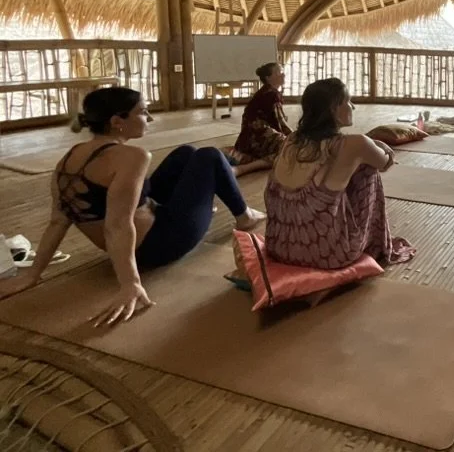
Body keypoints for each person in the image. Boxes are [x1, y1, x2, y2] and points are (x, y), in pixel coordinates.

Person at [0, 87, 265, 326]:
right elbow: (118, 224)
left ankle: (207, 208)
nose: (149, 118)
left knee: (185, 153)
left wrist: (33, 275)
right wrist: (130, 284)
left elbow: (59, 220)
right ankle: (244, 216)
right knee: (210, 157)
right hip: (161, 245)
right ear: (117, 122)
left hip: (148, 226)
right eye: (143, 112)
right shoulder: (132, 156)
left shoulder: (69, 158)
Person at [264, 78, 415, 270]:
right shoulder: (356, 144)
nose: (353, 106)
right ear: (334, 109)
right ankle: (377, 245)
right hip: (328, 255)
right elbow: (385, 163)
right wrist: (377, 145)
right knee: (369, 170)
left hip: (278, 247)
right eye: (349, 101)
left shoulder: (292, 140)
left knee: (353, 165)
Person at [223, 62, 292, 176]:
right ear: (268, 78)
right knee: (289, 149)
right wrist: (297, 138)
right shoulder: (272, 94)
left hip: (247, 139)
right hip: (258, 138)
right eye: (279, 72)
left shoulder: (265, 91)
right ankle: (243, 169)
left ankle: (243, 162)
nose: (283, 75)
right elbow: (281, 123)